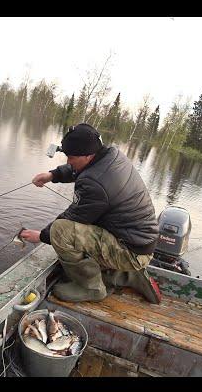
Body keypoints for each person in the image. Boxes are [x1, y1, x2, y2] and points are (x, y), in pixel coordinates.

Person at [19, 123, 162, 304]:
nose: (68, 162)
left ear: (88, 155)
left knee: (60, 231)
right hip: (140, 244)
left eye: (71, 157)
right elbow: (81, 167)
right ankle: (126, 276)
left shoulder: (94, 183)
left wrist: (41, 235)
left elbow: (72, 218)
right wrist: (53, 175)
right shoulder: (111, 155)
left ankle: (91, 288)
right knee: (81, 228)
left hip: (130, 252)